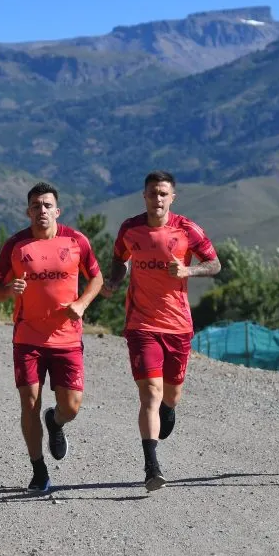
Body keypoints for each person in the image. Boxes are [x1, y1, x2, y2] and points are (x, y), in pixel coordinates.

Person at [101, 170, 221, 491]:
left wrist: (188, 269)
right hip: (141, 323)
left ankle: (169, 410)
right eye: (152, 193)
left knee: (170, 394)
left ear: (172, 198)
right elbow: (118, 257)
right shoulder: (130, 228)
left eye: (163, 194)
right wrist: (114, 281)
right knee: (150, 393)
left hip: (178, 326)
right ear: (144, 195)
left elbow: (215, 264)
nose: (157, 199)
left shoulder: (187, 229)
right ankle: (152, 466)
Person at [0, 182, 103, 492]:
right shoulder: (15, 246)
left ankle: (55, 421)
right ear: (28, 211)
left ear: (57, 210)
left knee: (72, 406)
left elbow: (97, 278)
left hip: (67, 339)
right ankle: (38, 470)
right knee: (29, 401)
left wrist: (81, 304)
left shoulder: (76, 240)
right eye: (35, 206)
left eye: (46, 205)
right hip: (28, 337)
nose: (41, 210)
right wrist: (8, 290)